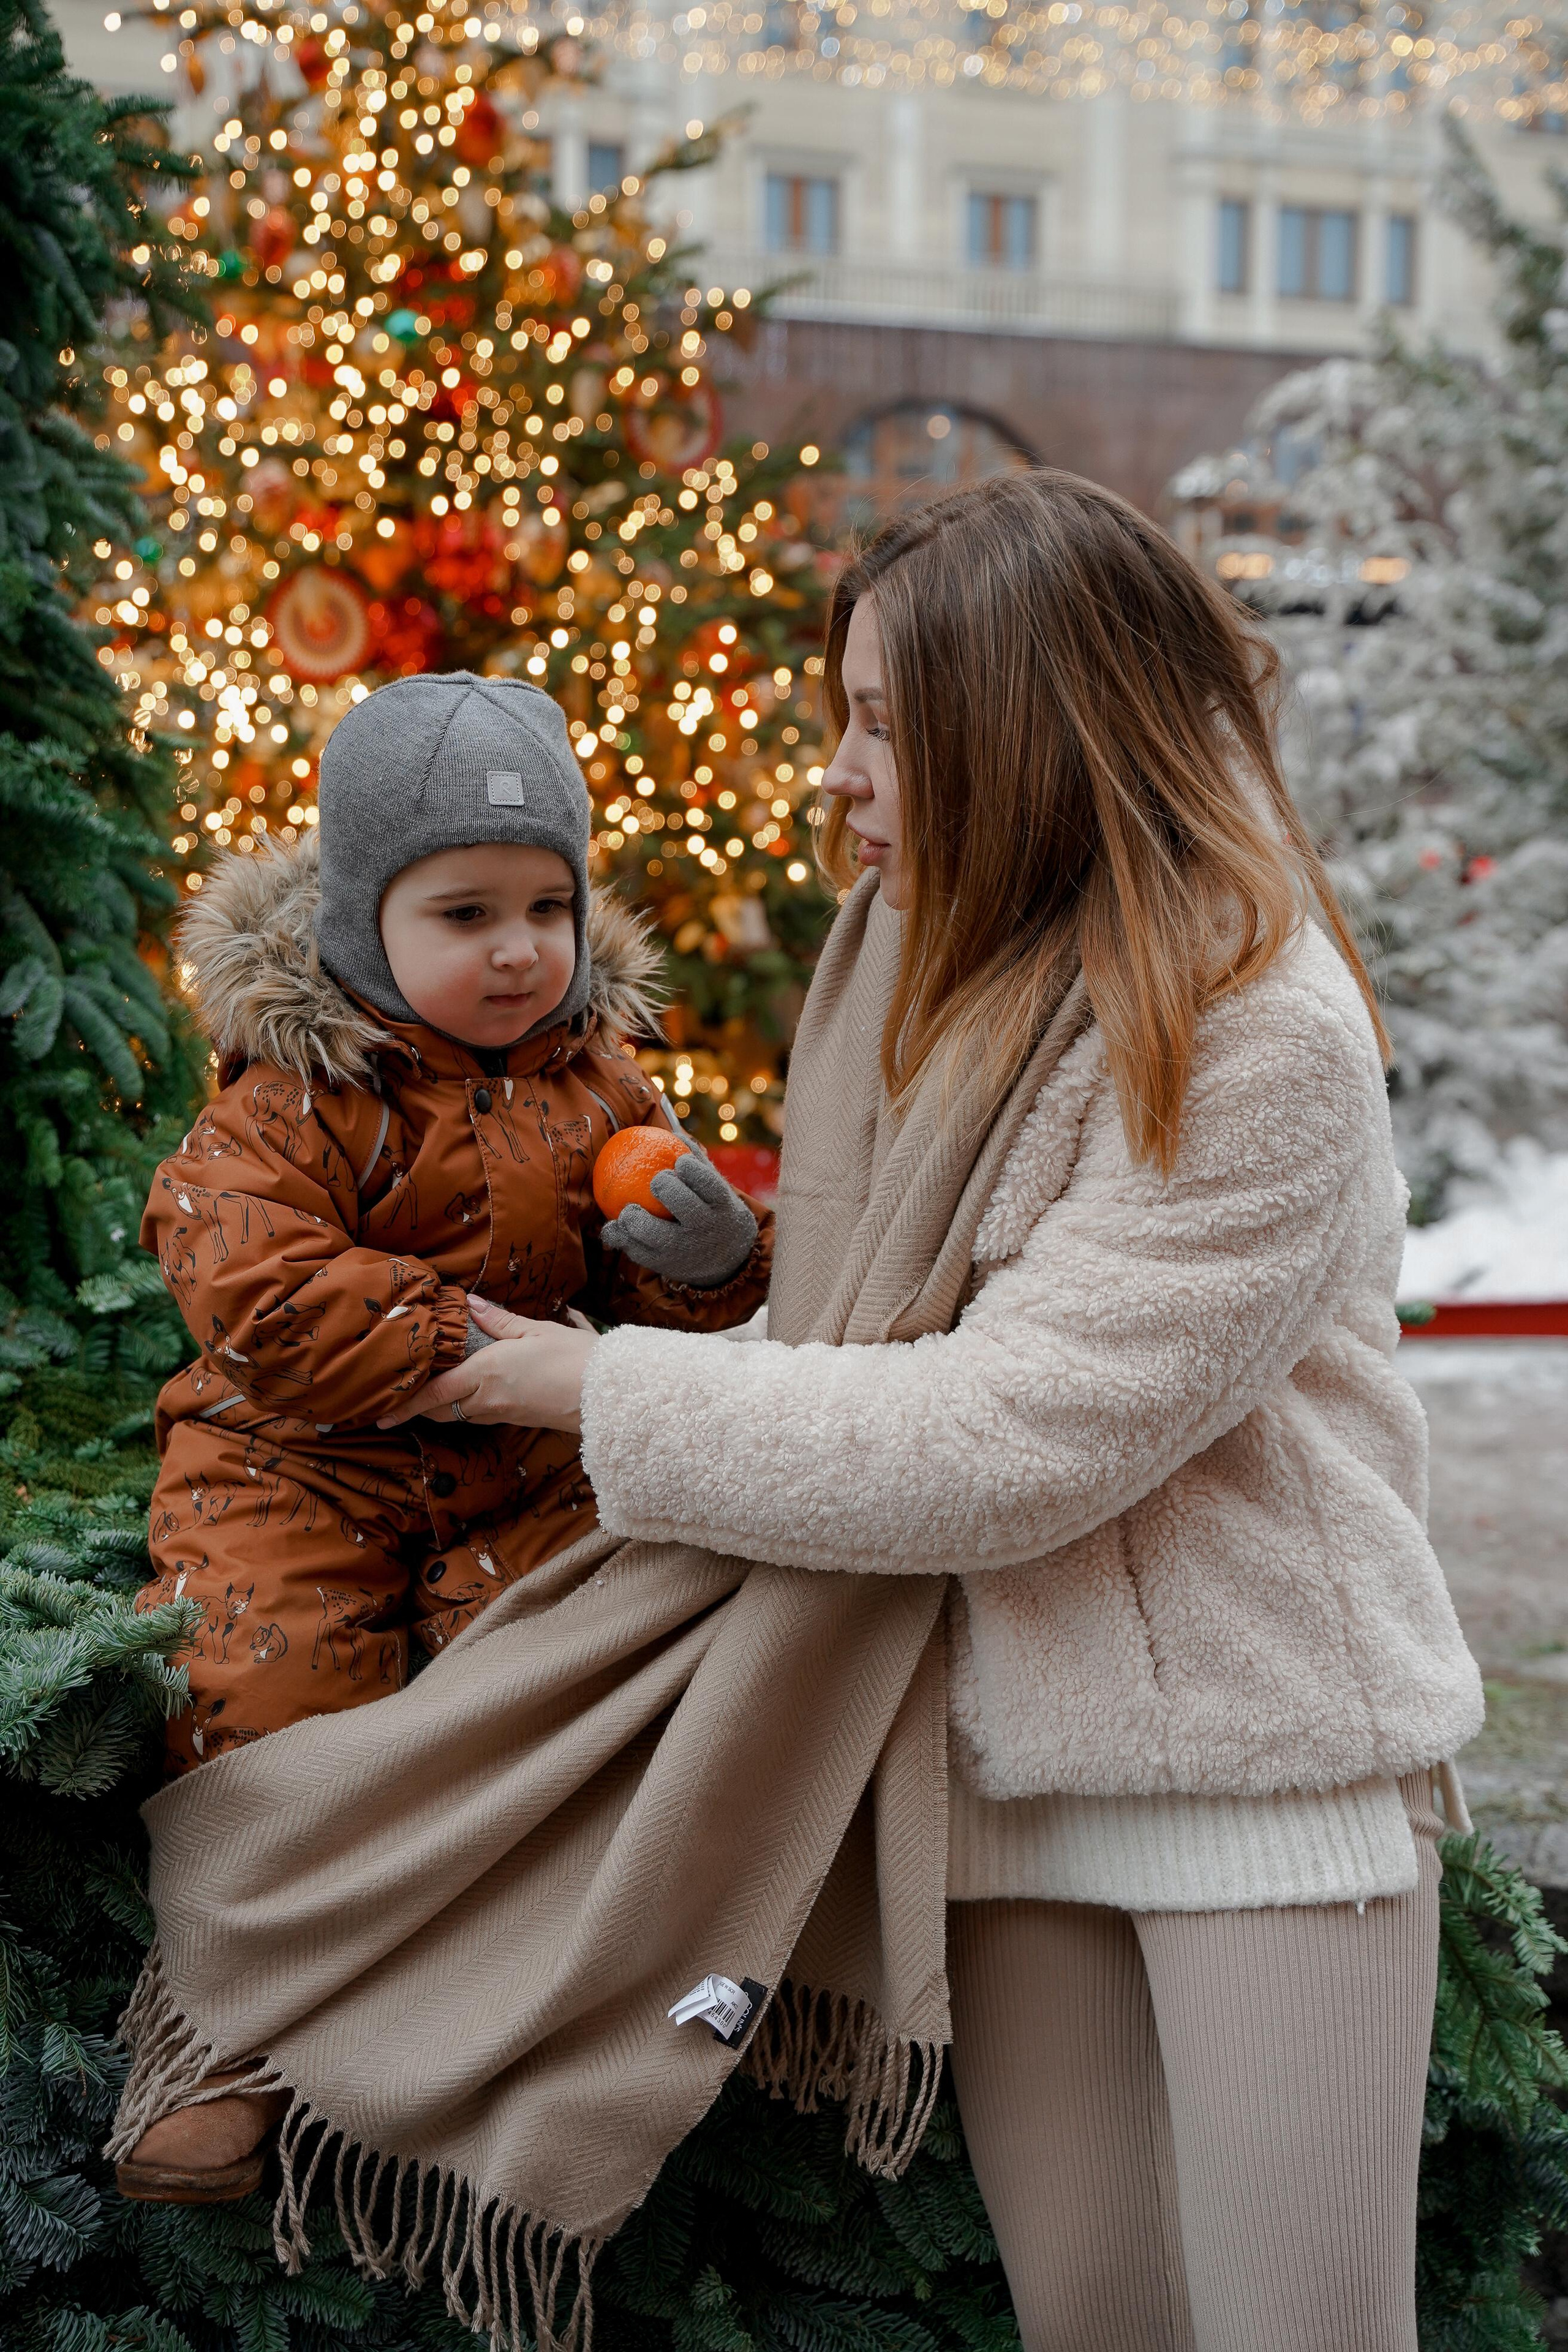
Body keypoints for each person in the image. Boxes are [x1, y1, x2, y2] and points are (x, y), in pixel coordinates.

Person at [386, 477, 1486, 2352]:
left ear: (1034, 726)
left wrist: (600, 1388)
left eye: (889, 725)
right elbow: (869, 1340)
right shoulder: (938, 971)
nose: (840, 773)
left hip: (1263, 1779)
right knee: (1097, 2327)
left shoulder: (1254, 1022)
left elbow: (1009, 1436)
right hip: (1011, 1767)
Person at [134, 669, 769, 1774]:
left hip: (525, 1461)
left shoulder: (602, 1088)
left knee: (637, 1638)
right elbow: (251, 1281)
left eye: (548, 908)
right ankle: (293, 1854)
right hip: (299, 1463)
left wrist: (708, 1263)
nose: (519, 949)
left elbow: (643, 1305)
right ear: (363, 923)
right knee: (261, 1689)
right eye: (467, 914)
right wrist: (450, 1337)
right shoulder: (293, 1095)